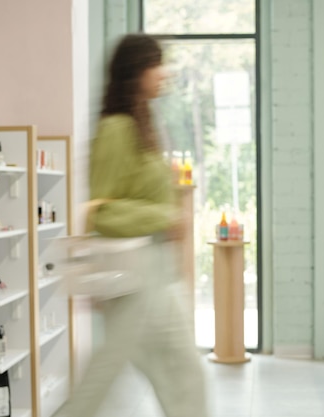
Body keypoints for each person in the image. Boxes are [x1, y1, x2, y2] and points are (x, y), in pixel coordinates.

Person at [61, 33, 208, 417]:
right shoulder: (115, 129)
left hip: (153, 269)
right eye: (155, 63)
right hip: (134, 273)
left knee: (183, 369)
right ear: (136, 71)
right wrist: (166, 216)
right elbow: (102, 212)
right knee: (109, 370)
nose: (164, 72)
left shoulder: (142, 125)